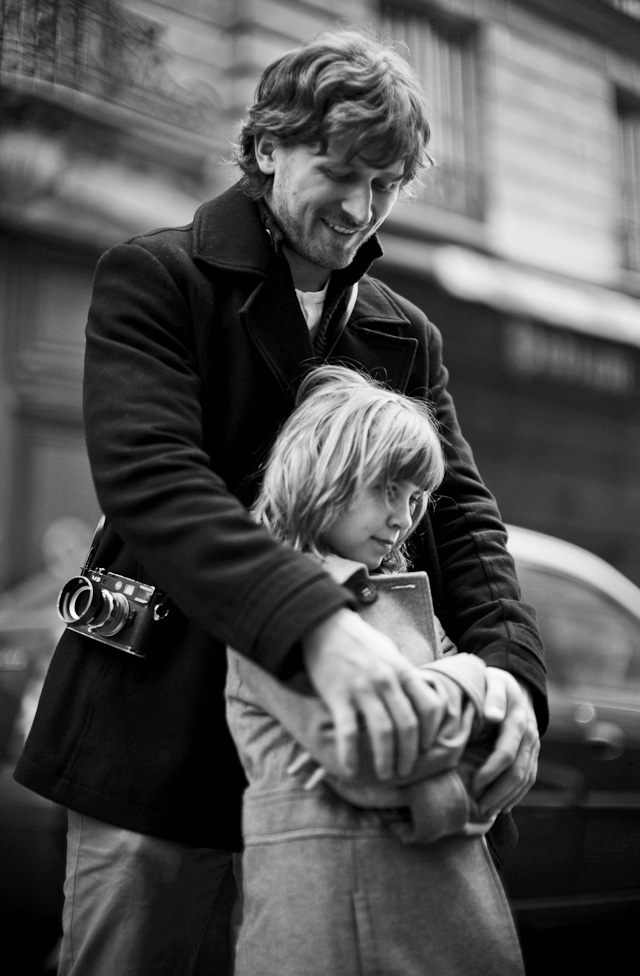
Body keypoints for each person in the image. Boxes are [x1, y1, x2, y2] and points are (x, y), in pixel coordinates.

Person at [14, 26, 546, 976]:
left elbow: (462, 517)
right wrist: (317, 628)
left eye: (387, 184)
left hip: (326, 781)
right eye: (340, 171)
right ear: (267, 148)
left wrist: (512, 676)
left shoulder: (404, 333)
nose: (362, 208)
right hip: (152, 741)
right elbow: (151, 483)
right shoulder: (154, 275)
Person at [226, 363, 525, 975]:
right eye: (389, 489)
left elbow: (480, 745)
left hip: (424, 905)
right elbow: (374, 755)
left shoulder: (401, 596)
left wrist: (446, 703)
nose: (404, 518)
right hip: (336, 922)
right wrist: (478, 675)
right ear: (326, 473)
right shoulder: (273, 599)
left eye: (417, 498)